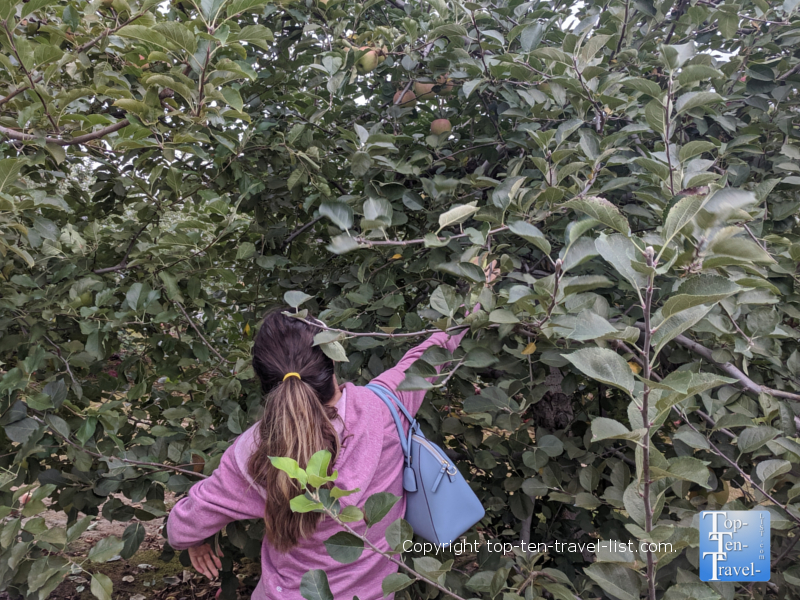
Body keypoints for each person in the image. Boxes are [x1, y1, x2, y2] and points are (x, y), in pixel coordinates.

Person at [166, 264, 495, 599]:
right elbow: (433, 352)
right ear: (333, 361)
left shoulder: (254, 452)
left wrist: (192, 539)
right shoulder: (385, 407)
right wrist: (474, 298)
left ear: (265, 383)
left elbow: (186, 522)